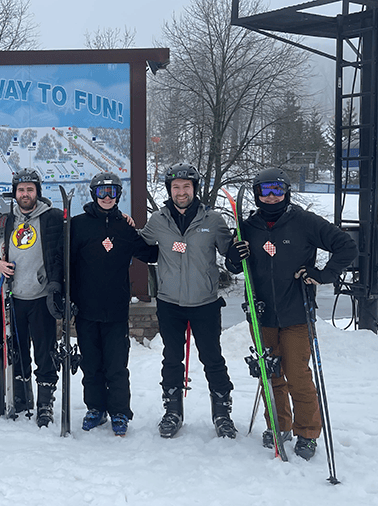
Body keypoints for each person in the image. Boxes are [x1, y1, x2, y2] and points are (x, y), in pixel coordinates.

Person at [224, 168, 356, 460]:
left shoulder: (304, 222)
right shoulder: (248, 226)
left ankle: (307, 432)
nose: (271, 196)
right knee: (270, 375)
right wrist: (235, 256)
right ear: (258, 194)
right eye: (265, 190)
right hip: (261, 314)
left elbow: (346, 246)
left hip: (297, 311)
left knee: (297, 374)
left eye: (277, 190)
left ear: (286, 192)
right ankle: (278, 425)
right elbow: (233, 266)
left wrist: (323, 274)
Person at [139, 163, 237, 439]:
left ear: (194, 188)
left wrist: (240, 253)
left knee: (212, 358)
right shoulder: (158, 220)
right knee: (172, 358)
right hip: (170, 303)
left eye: (186, 186)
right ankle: (172, 411)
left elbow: (230, 257)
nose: (181, 192)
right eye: (175, 187)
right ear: (169, 191)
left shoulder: (213, 220)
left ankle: (222, 413)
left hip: (204, 302)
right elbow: (143, 248)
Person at [71, 172, 158, 436]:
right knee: (91, 363)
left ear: (119, 195)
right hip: (86, 309)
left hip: (117, 309)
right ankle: (95, 408)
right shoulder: (78, 225)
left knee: (117, 365)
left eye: (112, 193)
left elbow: (151, 253)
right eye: (101, 193)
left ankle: (119, 411)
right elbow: (64, 262)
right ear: (93, 195)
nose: (107, 198)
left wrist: (167, 236)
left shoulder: (125, 228)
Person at [0, 169, 64, 428]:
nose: (25, 194)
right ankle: (21, 395)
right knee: (16, 352)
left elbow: (68, 247)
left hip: (41, 297)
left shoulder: (52, 218)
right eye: (21, 190)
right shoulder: (5, 222)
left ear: (37, 192)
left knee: (45, 352)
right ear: (15, 193)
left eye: (30, 189)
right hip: (13, 297)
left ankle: (45, 403)